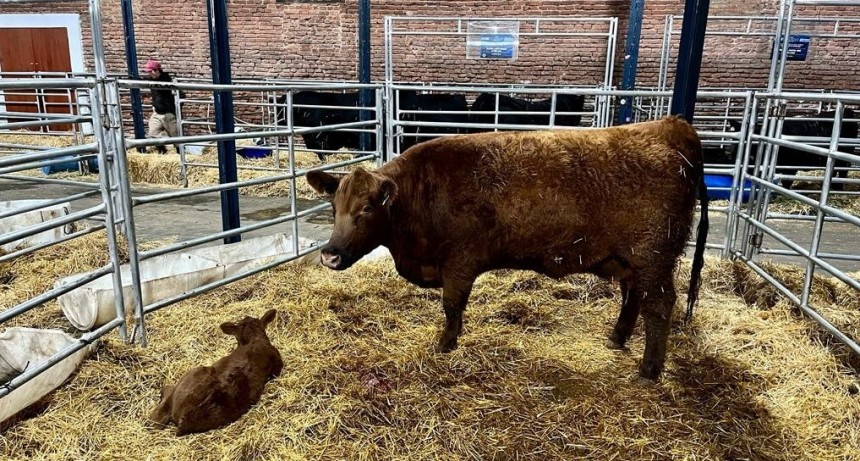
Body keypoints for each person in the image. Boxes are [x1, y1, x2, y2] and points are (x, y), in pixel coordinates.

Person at [142, 59, 178, 154]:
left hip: (168, 113)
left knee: (175, 136)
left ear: (156, 71)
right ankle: (162, 152)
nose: (149, 74)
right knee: (153, 133)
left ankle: (180, 153)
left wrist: (174, 109)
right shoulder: (151, 80)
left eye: (150, 71)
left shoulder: (168, 81)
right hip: (157, 112)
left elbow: (180, 95)